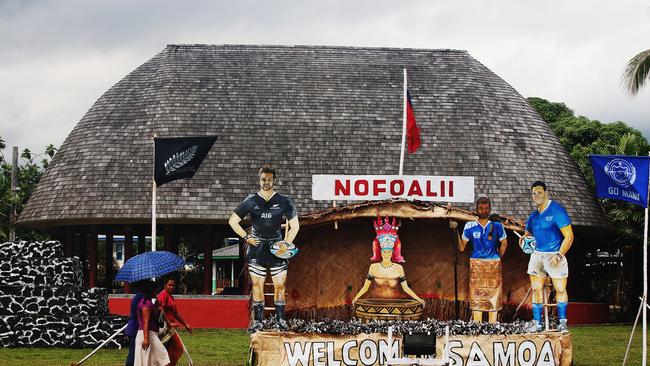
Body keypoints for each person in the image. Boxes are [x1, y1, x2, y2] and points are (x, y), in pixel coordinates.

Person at [228, 165, 300, 332]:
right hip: (257, 249)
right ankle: (258, 322)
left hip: (277, 248)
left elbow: (295, 226)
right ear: (259, 180)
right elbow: (232, 221)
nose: (266, 182)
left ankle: (281, 320)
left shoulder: (284, 201)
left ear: (274, 180)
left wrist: (285, 245)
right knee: (257, 286)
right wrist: (246, 237)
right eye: (263, 179)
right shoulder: (251, 200)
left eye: (269, 179)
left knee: (280, 286)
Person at [521, 181, 574, 332]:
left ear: (546, 192)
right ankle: (537, 323)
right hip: (538, 255)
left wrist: (559, 254)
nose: (536, 195)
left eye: (539, 192)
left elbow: (569, 236)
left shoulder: (556, 210)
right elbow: (528, 235)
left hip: (555, 255)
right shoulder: (533, 217)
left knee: (560, 288)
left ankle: (562, 322)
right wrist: (524, 240)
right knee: (536, 288)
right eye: (534, 193)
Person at [452, 197, 508, 323]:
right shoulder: (469, 225)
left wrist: (498, 257)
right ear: (476, 209)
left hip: (493, 263)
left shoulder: (497, 225)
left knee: (493, 295)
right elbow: (461, 247)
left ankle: (493, 326)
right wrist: (455, 230)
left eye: (486, 208)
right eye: (481, 208)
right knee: (477, 296)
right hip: (476, 263)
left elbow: (504, 243)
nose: (483, 211)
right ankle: (477, 327)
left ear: (490, 209)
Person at [352, 217, 425, 306]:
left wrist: (419, 299)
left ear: (392, 253)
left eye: (389, 252)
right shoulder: (373, 267)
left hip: (395, 304)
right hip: (376, 303)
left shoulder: (399, 268)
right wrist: (355, 298)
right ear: (381, 253)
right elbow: (365, 287)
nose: (386, 254)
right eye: (384, 252)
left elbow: (406, 288)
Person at [157, 278, 192, 366]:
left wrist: (186, 324)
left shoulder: (170, 296)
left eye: (173, 285)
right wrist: (169, 322)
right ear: (165, 285)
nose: (172, 287)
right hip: (166, 327)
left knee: (171, 349)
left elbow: (175, 313)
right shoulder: (163, 295)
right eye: (169, 285)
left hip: (171, 327)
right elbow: (161, 309)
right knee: (178, 347)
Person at [135, 281, 170, 366]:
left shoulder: (150, 303)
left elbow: (156, 318)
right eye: (156, 290)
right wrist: (146, 339)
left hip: (151, 334)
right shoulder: (146, 304)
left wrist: (158, 307)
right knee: (164, 358)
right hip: (147, 334)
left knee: (152, 361)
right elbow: (145, 322)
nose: (157, 292)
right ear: (151, 291)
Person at [124, 282, 146, 366]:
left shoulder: (138, 296)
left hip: (132, 327)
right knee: (133, 354)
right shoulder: (142, 298)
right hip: (135, 328)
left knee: (134, 353)